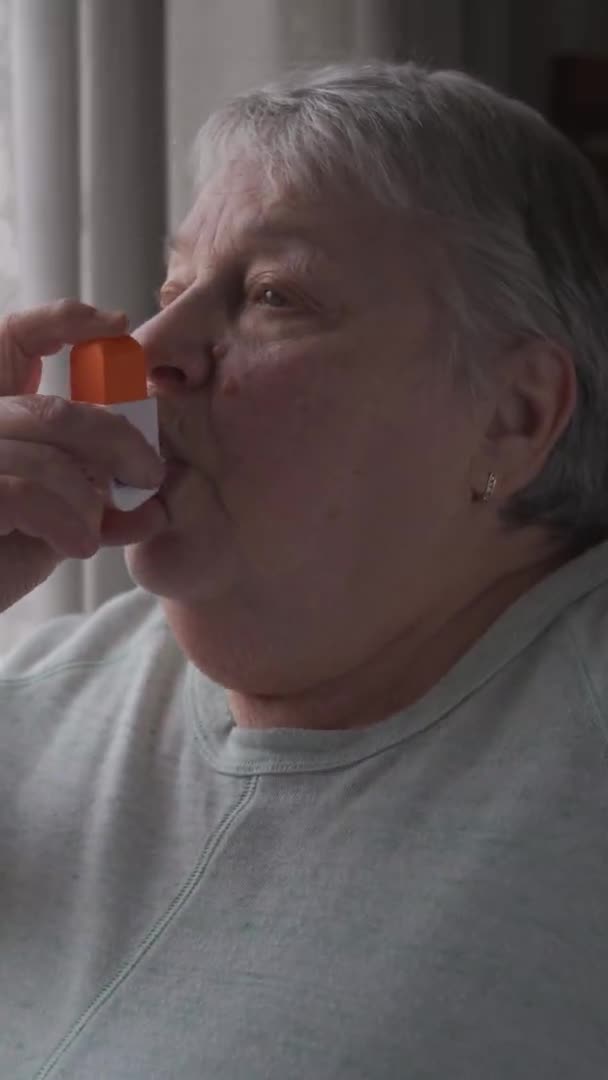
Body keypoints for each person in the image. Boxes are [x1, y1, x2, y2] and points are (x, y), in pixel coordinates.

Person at [1, 60, 608, 1079]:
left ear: (511, 416)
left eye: (274, 296)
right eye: (171, 288)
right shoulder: (39, 701)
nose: (147, 347)